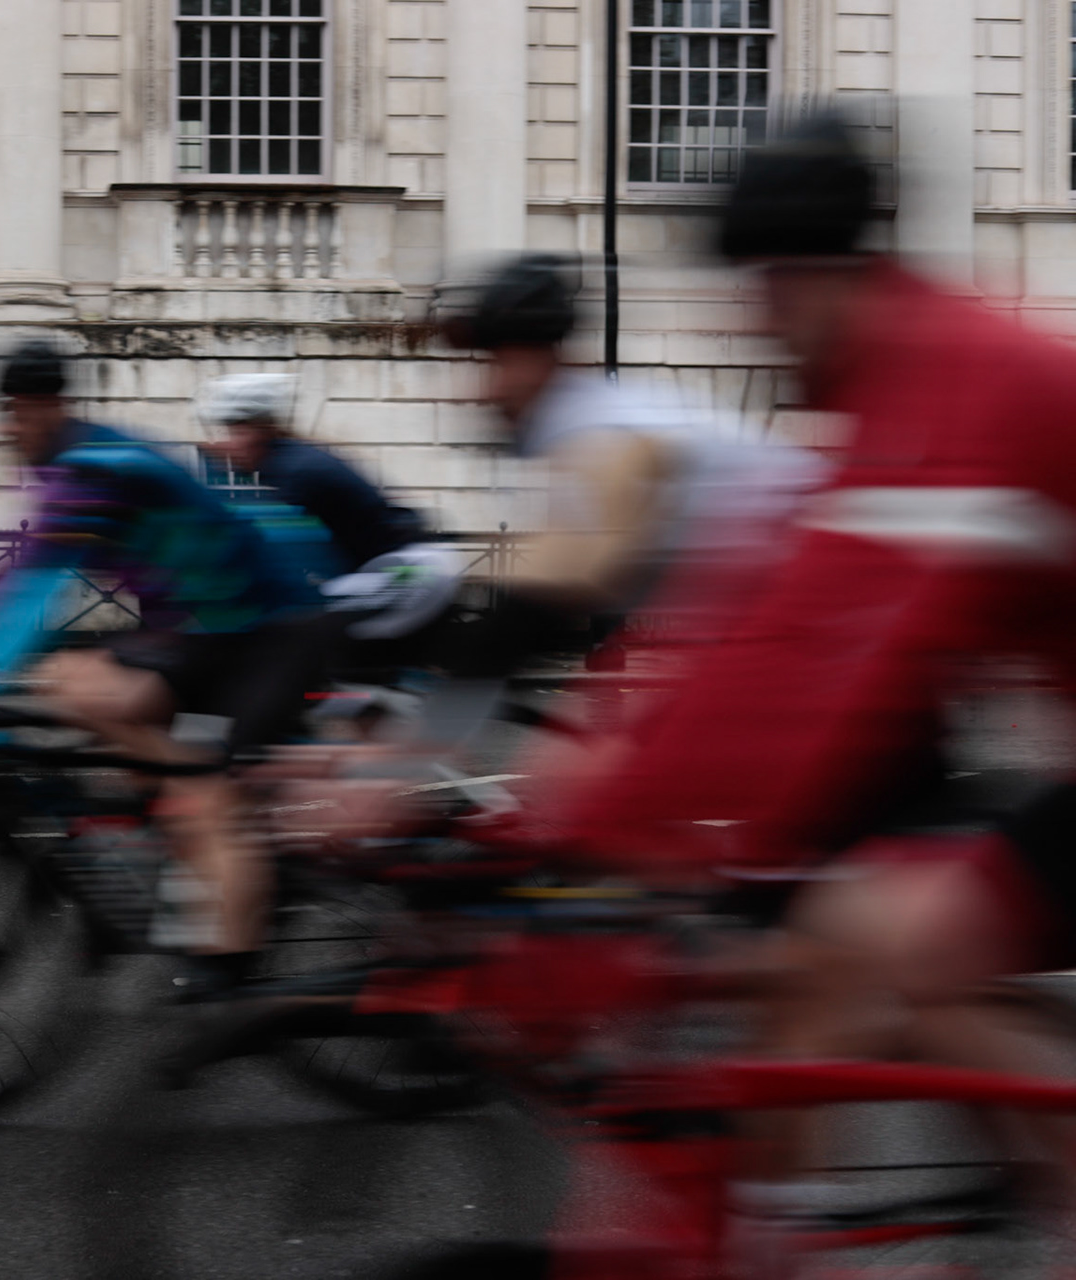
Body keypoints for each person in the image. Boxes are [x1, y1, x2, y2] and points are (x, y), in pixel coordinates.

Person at [551, 115, 1076, 1228]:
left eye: (768, 291)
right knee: (847, 939)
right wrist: (612, 780)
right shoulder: (893, 387)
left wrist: (612, 827)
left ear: (824, 277)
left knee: (911, 937)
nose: (756, 325)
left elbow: (836, 668)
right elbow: (773, 610)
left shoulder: (960, 379)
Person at [0, 341, 329, 1001]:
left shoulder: (99, 468)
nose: (4, 427)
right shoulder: (74, 468)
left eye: (14, 412)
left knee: (196, 789)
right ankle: (173, 869)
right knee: (79, 689)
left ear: (47, 406)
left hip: (267, 632)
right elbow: (10, 572)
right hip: (201, 633)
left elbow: (35, 592)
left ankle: (224, 975)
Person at [430, 254, 823, 678]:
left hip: (828, 596)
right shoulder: (585, 420)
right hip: (782, 611)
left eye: (493, 364)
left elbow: (558, 589)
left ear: (539, 358)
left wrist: (439, 688)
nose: (477, 393)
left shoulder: (597, 431)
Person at [198, 372, 422, 575]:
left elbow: (272, 544)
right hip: (385, 568)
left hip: (395, 572)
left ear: (263, 431)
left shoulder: (295, 470)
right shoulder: (286, 459)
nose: (227, 444)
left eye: (238, 432)